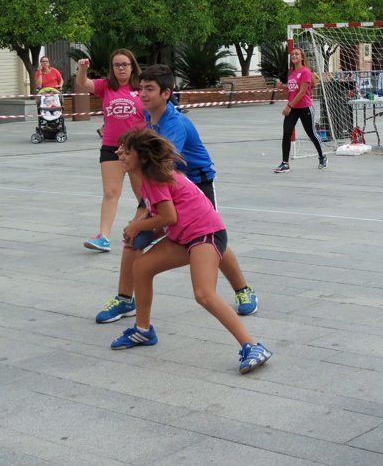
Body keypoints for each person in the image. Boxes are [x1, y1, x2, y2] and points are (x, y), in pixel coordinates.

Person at [94, 66, 258, 324]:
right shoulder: (150, 120)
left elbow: (161, 167)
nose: (142, 94)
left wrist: (143, 211)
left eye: (149, 89)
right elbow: (156, 175)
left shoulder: (175, 124)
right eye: (141, 89)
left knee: (211, 239)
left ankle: (243, 290)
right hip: (165, 187)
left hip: (195, 186)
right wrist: (141, 214)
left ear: (166, 93)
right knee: (134, 238)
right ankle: (125, 299)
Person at [110, 129, 273, 374]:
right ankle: (143, 331)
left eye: (126, 151)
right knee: (141, 267)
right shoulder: (149, 178)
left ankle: (252, 346)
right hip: (185, 236)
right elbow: (170, 222)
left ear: (142, 157)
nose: (119, 153)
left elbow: (168, 216)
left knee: (204, 294)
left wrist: (137, 226)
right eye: (120, 149)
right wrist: (143, 234)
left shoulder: (154, 180)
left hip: (205, 235)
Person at [75, 51, 145, 252]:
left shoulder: (141, 87)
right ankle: (103, 237)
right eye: (116, 65)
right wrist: (83, 69)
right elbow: (83, 83)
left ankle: (149, 231)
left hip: (137, 148)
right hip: (111, 147)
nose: (121, 68)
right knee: (110, 192)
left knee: (144, 195)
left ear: (132, 66)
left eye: (125, 64)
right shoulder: (106, 86)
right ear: (112, 68)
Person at [274, 48, 327, 173]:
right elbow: (293, 90)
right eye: (292, 54)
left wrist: (289, 106)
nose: (294, 55)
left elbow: (302, 92)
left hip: (304, 108)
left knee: (311, 134)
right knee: (287, 132)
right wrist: (283, 87)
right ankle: (285, 163)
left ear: (302, 57)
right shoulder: (292, 73)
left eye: (296, 54)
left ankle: (322, 157)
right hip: (293, 108)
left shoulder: (305, 72)